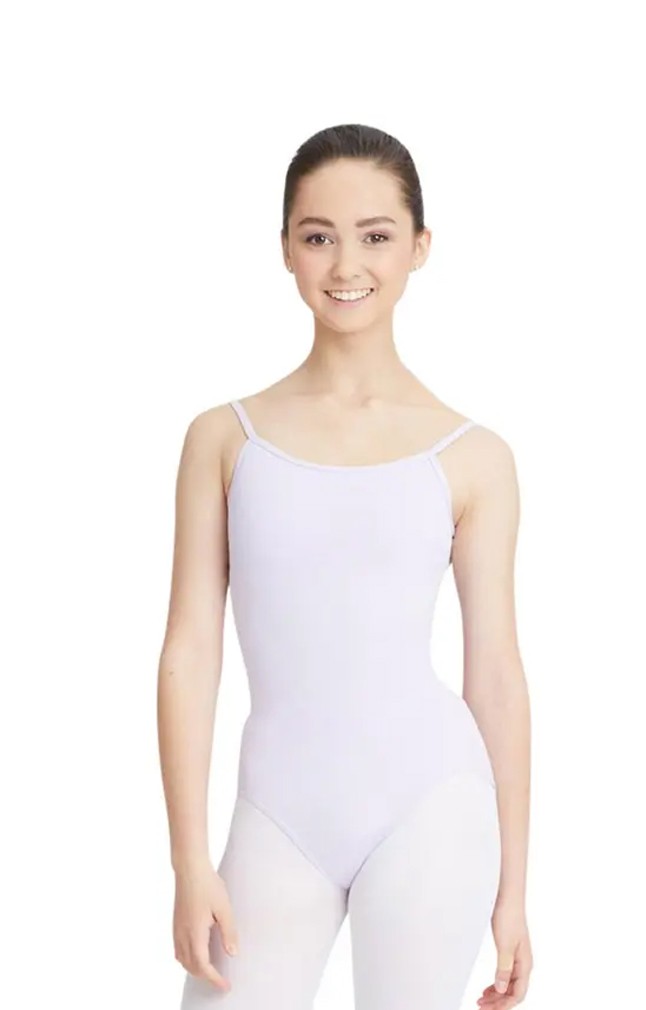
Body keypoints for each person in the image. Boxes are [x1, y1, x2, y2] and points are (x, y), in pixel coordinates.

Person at [157, 123, 533, 1010]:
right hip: (277, 812)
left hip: (432, 803)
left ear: (419, 247)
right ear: (286, 247)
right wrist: (188, 862)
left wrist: (514, 891)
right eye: (319, 235)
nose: (346, 264)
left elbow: (496, 673)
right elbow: (188, 654)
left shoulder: (472, 456)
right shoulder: (224, 439)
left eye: (376, 235)